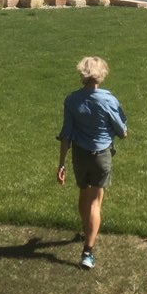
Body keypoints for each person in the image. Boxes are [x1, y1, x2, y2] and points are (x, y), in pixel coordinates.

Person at [56, 55, 128, 270]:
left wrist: (61, 164)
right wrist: (122, 131)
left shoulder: (71, 100)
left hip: (79, 155)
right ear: (101, 75)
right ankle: (88, 252)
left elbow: (66, 134)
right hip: (101, 157)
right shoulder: (108, 100)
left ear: (82, 74)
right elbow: (121, 131)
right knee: (96, 202)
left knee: (83, 194)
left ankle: (86, 230)